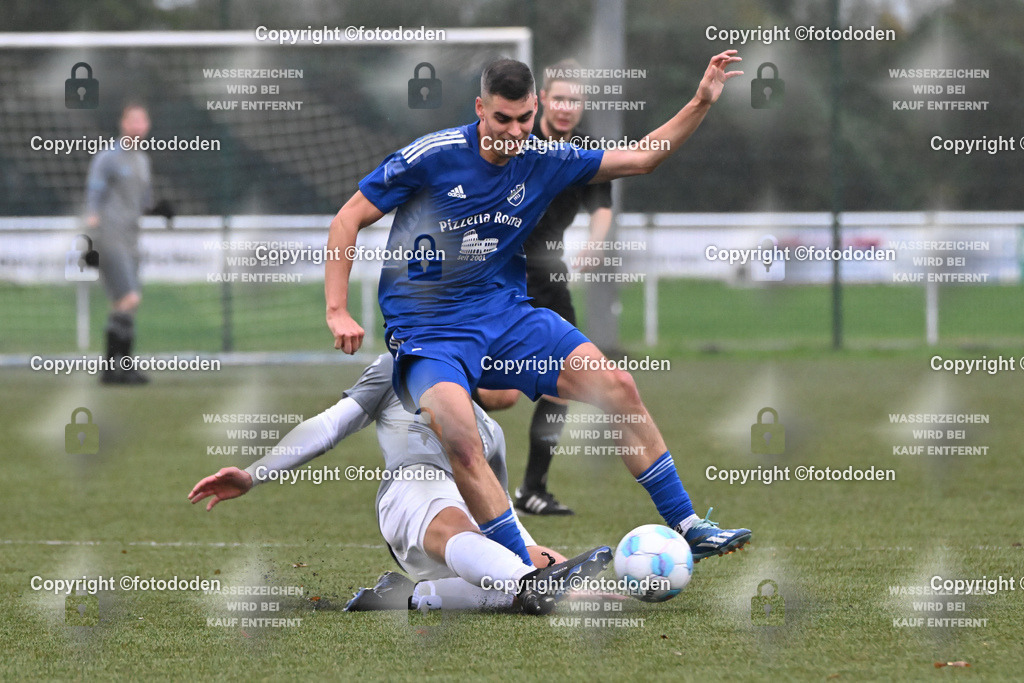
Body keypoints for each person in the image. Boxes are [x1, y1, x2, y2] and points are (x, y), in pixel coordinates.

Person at [324, 51, 750, 568]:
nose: (514, 131)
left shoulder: (545, 158)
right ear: (480, 109)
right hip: (428, 331)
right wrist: (337, 309)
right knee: (462, 438)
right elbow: (348, 219)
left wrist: (701, 101)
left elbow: (642, 158)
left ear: (535, 109)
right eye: (502, 119)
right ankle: (522, 569)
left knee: (617, 386)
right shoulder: (434, 156)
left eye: (524, 119)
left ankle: (687, 525)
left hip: (506, 317)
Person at [187, 354, 612, 615]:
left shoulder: (490, 432)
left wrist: (576, 585)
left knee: (519, 580)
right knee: (510, 570)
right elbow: (329, 425)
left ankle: (413, 595)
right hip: (411, 490)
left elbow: (507, 529)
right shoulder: (401, 366)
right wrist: (253, 473)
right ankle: (527, 586)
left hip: (467, 525)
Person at [504, 59, 613, 517]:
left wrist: (595, 243)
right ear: (543, 99)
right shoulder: (518, 140)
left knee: (564, 382)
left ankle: (532, 490)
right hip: (502, 275)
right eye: (559, 98)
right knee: (499, 394)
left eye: (575, 100)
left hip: (550, 279)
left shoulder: (585, 150)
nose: (567, 107)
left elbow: (602, 205)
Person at [84, 102, 173, 385]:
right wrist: (92, 240)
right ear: (123, 123)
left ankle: (116, 369)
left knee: (123, 303)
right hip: (110, 235)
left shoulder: (142, 161)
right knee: (130, 297)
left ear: (147, 125)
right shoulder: (108, 158)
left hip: (132, 237)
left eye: (142, 121)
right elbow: (93, 198)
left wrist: (158, 209)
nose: (138, 126)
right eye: (132, 120)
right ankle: (118, 367)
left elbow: (143, 202)